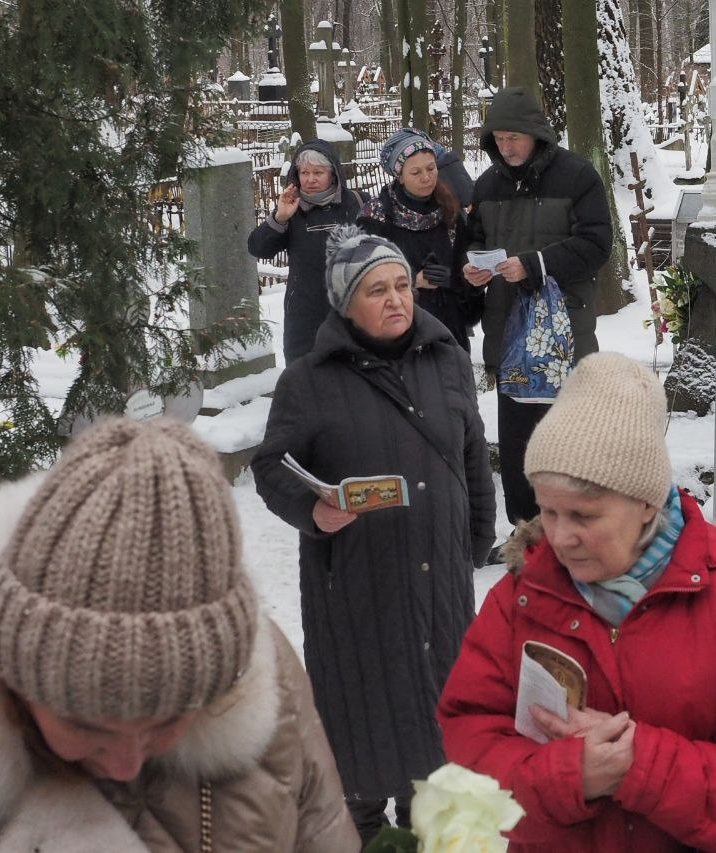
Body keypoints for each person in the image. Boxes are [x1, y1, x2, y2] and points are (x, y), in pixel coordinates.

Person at [0, 418, 359, 851]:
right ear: (5, 670)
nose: (126, 762)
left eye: (167, 720)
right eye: (85, 723)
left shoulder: (271, 683)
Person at [437, 352, 716, 851]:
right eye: (548, 511)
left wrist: (640, 767)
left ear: (645, 502)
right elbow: (470, 746)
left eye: (583, 515)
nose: (560, 537)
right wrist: (569, 776)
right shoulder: (522, 593)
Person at [251, 225, 496, 845]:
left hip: (439, 579)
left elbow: (472, 460)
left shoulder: (448, 361)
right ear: (344, 304)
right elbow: (272, 465)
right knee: (359, 721)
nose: (396, 300)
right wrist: (314, 511)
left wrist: (472, 544)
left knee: (437, 728)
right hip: (355, 581)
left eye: (400, 286)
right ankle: (355, 828)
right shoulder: (307, 381)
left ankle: (426, 830)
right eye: (376, 291)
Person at [461, 86, 612, 526]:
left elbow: (596, 244)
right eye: (499, 138)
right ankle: (526, 533)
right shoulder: (487, 185)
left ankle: (577, 531)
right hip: (509, 333)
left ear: (536, 134)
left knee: (571, 439)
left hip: (566, 332)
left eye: (515, 137)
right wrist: (474, 267)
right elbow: (474, 239)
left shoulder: (578, 176)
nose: (507, 147)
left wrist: (536, 264)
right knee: (518, 442)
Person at [358, 127, 483, 351]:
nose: (426, 178)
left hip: (449, 333)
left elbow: (466, 268)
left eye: (431, 168)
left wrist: (459, 276)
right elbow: (361, 279)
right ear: (400, 176)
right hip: (398, 337)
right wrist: (412, 281)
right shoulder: (376, 218)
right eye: (416, 173)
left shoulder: (451, 211)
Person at [247, 139, 365, 363]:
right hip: (305, 315)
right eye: (304, 172)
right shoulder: (292, 209)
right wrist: (280, 217)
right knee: (305, 384)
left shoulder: (357, 203)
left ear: (333, 174)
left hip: (352, 311)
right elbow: (258, 248)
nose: (310, 179)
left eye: (318, 172)